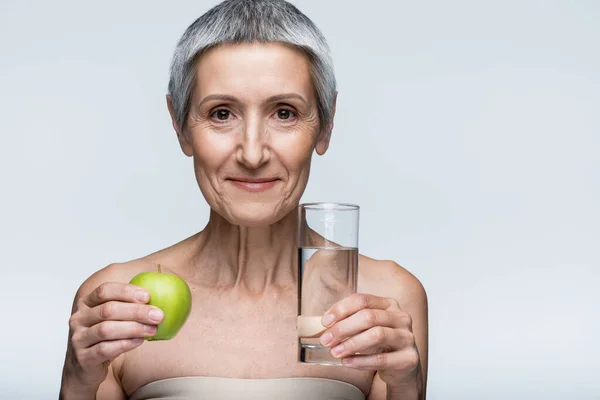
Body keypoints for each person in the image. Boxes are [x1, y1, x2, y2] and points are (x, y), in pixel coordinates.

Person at [59, 0, 429, 399]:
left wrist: (407, 385)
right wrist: (77, 381)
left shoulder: (384, 302)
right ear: (180, 126)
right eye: (221, 114)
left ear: (326, 123)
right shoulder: (118, 304)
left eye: (284, 113)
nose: (253, 154)